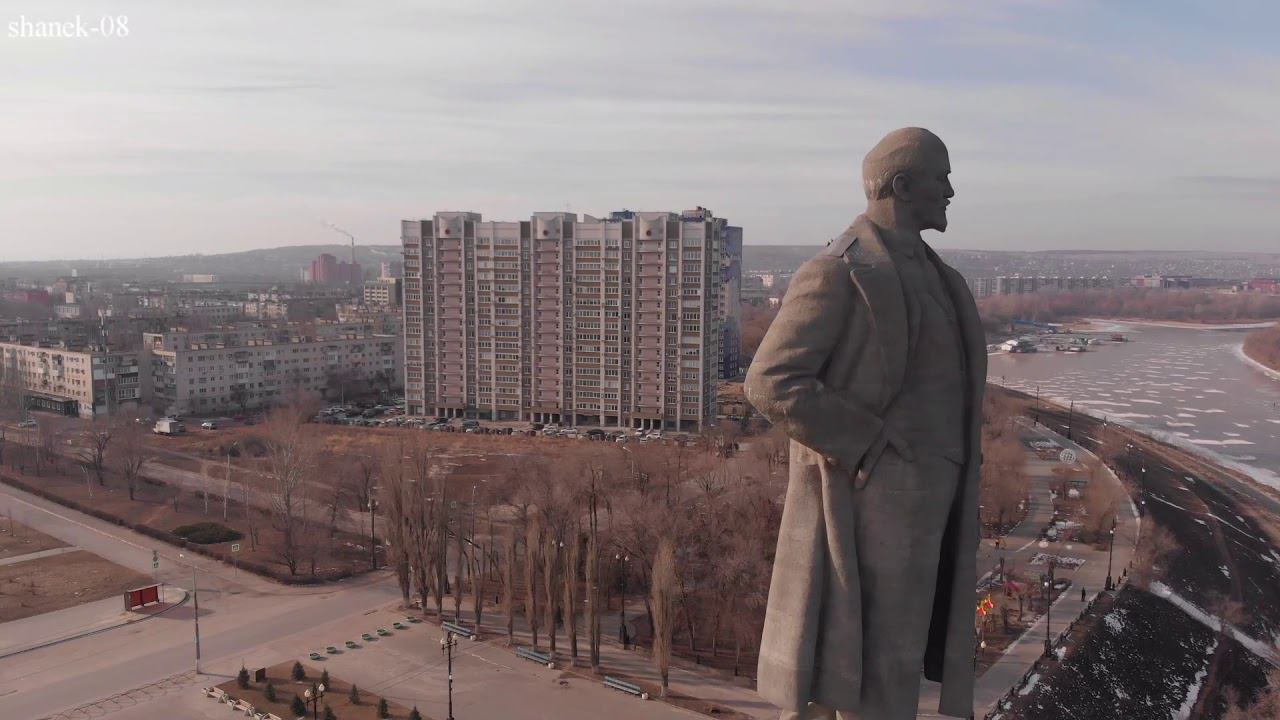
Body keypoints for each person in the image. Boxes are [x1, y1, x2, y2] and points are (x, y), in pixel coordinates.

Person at [746, 128, 984, 720]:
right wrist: (868, 445)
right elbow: (772, 380)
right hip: (868, 502)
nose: (950, 191)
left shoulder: (944, 280)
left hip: (937, 503)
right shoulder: (839, 270)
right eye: (941, 178)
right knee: (870, 665)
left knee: (899, 655)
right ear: (902, 185)